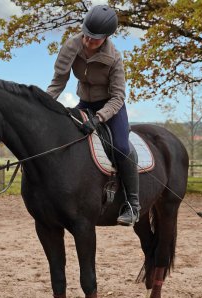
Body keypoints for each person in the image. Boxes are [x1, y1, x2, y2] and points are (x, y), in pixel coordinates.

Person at [46, 4, 140, 226]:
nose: (88, 41)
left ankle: (133, 205)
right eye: (86, 35)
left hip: (110, 106)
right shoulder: (71, 46)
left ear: (106, 37)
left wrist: (99, 118)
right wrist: (43, 104)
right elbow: (59, 82)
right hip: (85, 103)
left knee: (121, 146)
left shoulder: (115, 58)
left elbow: (118, 97)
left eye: (94, 39)